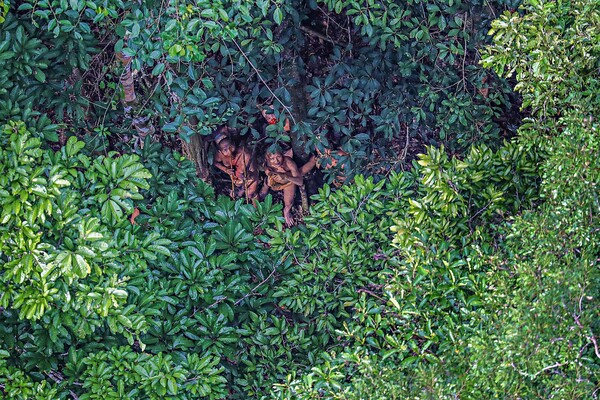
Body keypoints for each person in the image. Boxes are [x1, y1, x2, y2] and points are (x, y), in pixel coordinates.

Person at [260, 150, 304, 226]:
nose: (276, 161)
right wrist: (267, 171)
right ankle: (261, 197)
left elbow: (300, 182)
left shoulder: (288, 162)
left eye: (278, 157)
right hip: (274, 179)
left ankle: (286, 212)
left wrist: (285, 176)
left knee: (288, 203)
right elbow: (264, 166)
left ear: (282, 154)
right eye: (272, 159)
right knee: (266, 185)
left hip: (288, 181)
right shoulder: (268, 162)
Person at [213, 129, 259, 201]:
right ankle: (240, 191)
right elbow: (216, 163)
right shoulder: (220, 155)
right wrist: (226, 170)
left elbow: (254, 172)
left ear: (233, 144)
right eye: (225, 150)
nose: (229, 151)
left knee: (251, 193)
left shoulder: (244, 154)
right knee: (234, 195)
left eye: (230, 146)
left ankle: (256, 208)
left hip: (249, 177)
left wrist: (248, 177)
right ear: (220, 151)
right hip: (236, 179)